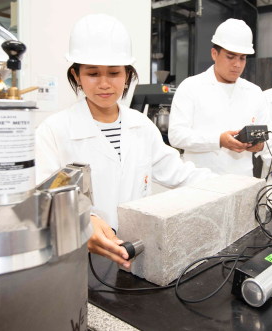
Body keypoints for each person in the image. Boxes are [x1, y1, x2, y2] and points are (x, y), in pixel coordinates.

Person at [36, 14, 215, 269]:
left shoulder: (141, 126)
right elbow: (42, 199)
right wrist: (83, 219)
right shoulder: (53, 131)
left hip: (133, 254)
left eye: (114, 73)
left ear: (127, 74)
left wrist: (228, 185)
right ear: (76, 75)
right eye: (93, 73)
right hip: (77, 261)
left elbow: (180, 173)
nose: (105, 83)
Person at [168, 19, 272, 177]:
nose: (237, 64)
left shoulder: (255, 92)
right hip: (201, 182)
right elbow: (176, 135)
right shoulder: (191, 87)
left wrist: (260, 146)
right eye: (230, 57)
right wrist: (218, 140)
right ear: (214, 54)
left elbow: (268, 139)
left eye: (242, 58)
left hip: (241, 182)